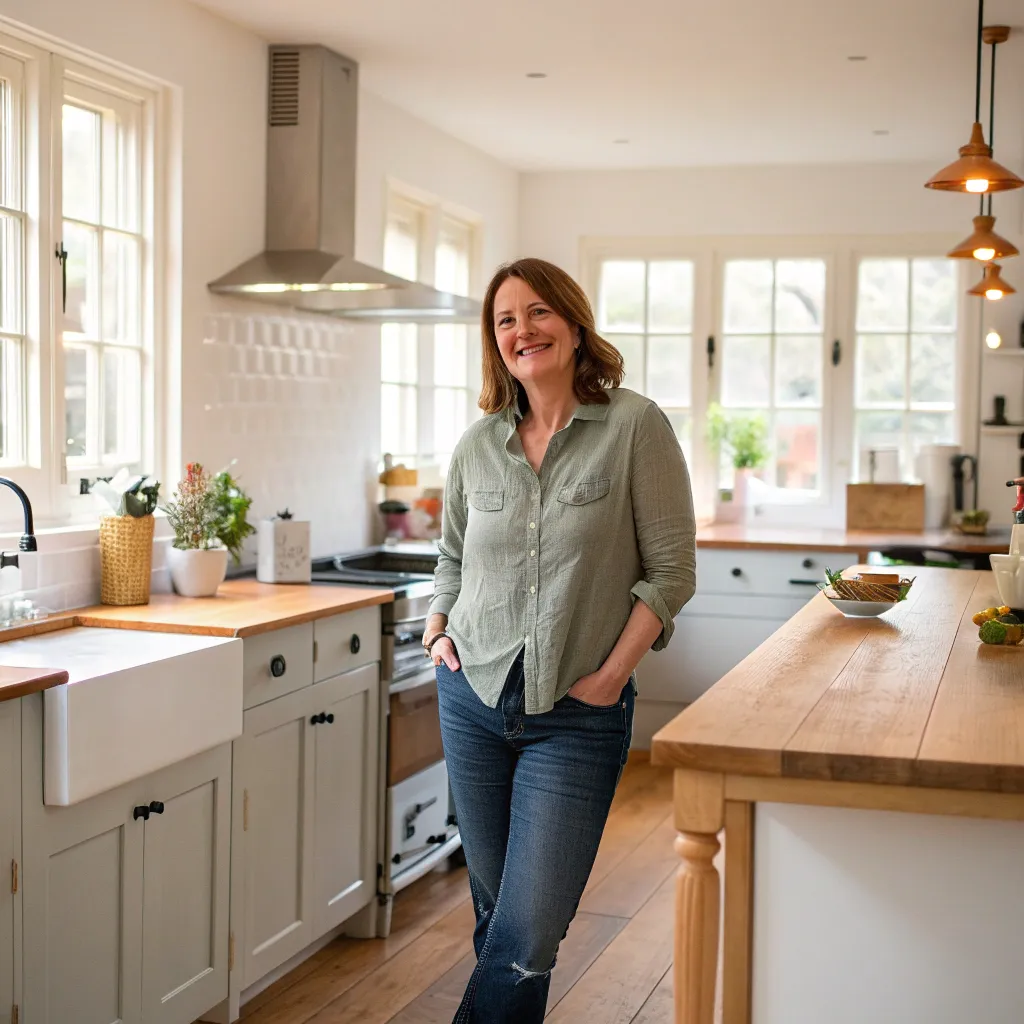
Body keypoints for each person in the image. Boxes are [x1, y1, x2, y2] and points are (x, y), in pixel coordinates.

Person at [423, 257, 696, 1023]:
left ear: (574, 326)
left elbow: (672, 572)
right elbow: (451, 556)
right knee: (498, 922)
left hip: (577, 714)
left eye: (538, 312)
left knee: (526, 934)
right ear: (495, 342)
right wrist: (436, 626)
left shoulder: (634, 426)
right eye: (505, 320)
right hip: (472, 697)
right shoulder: (478, 446)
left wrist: (612, 676)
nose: (523, 330)